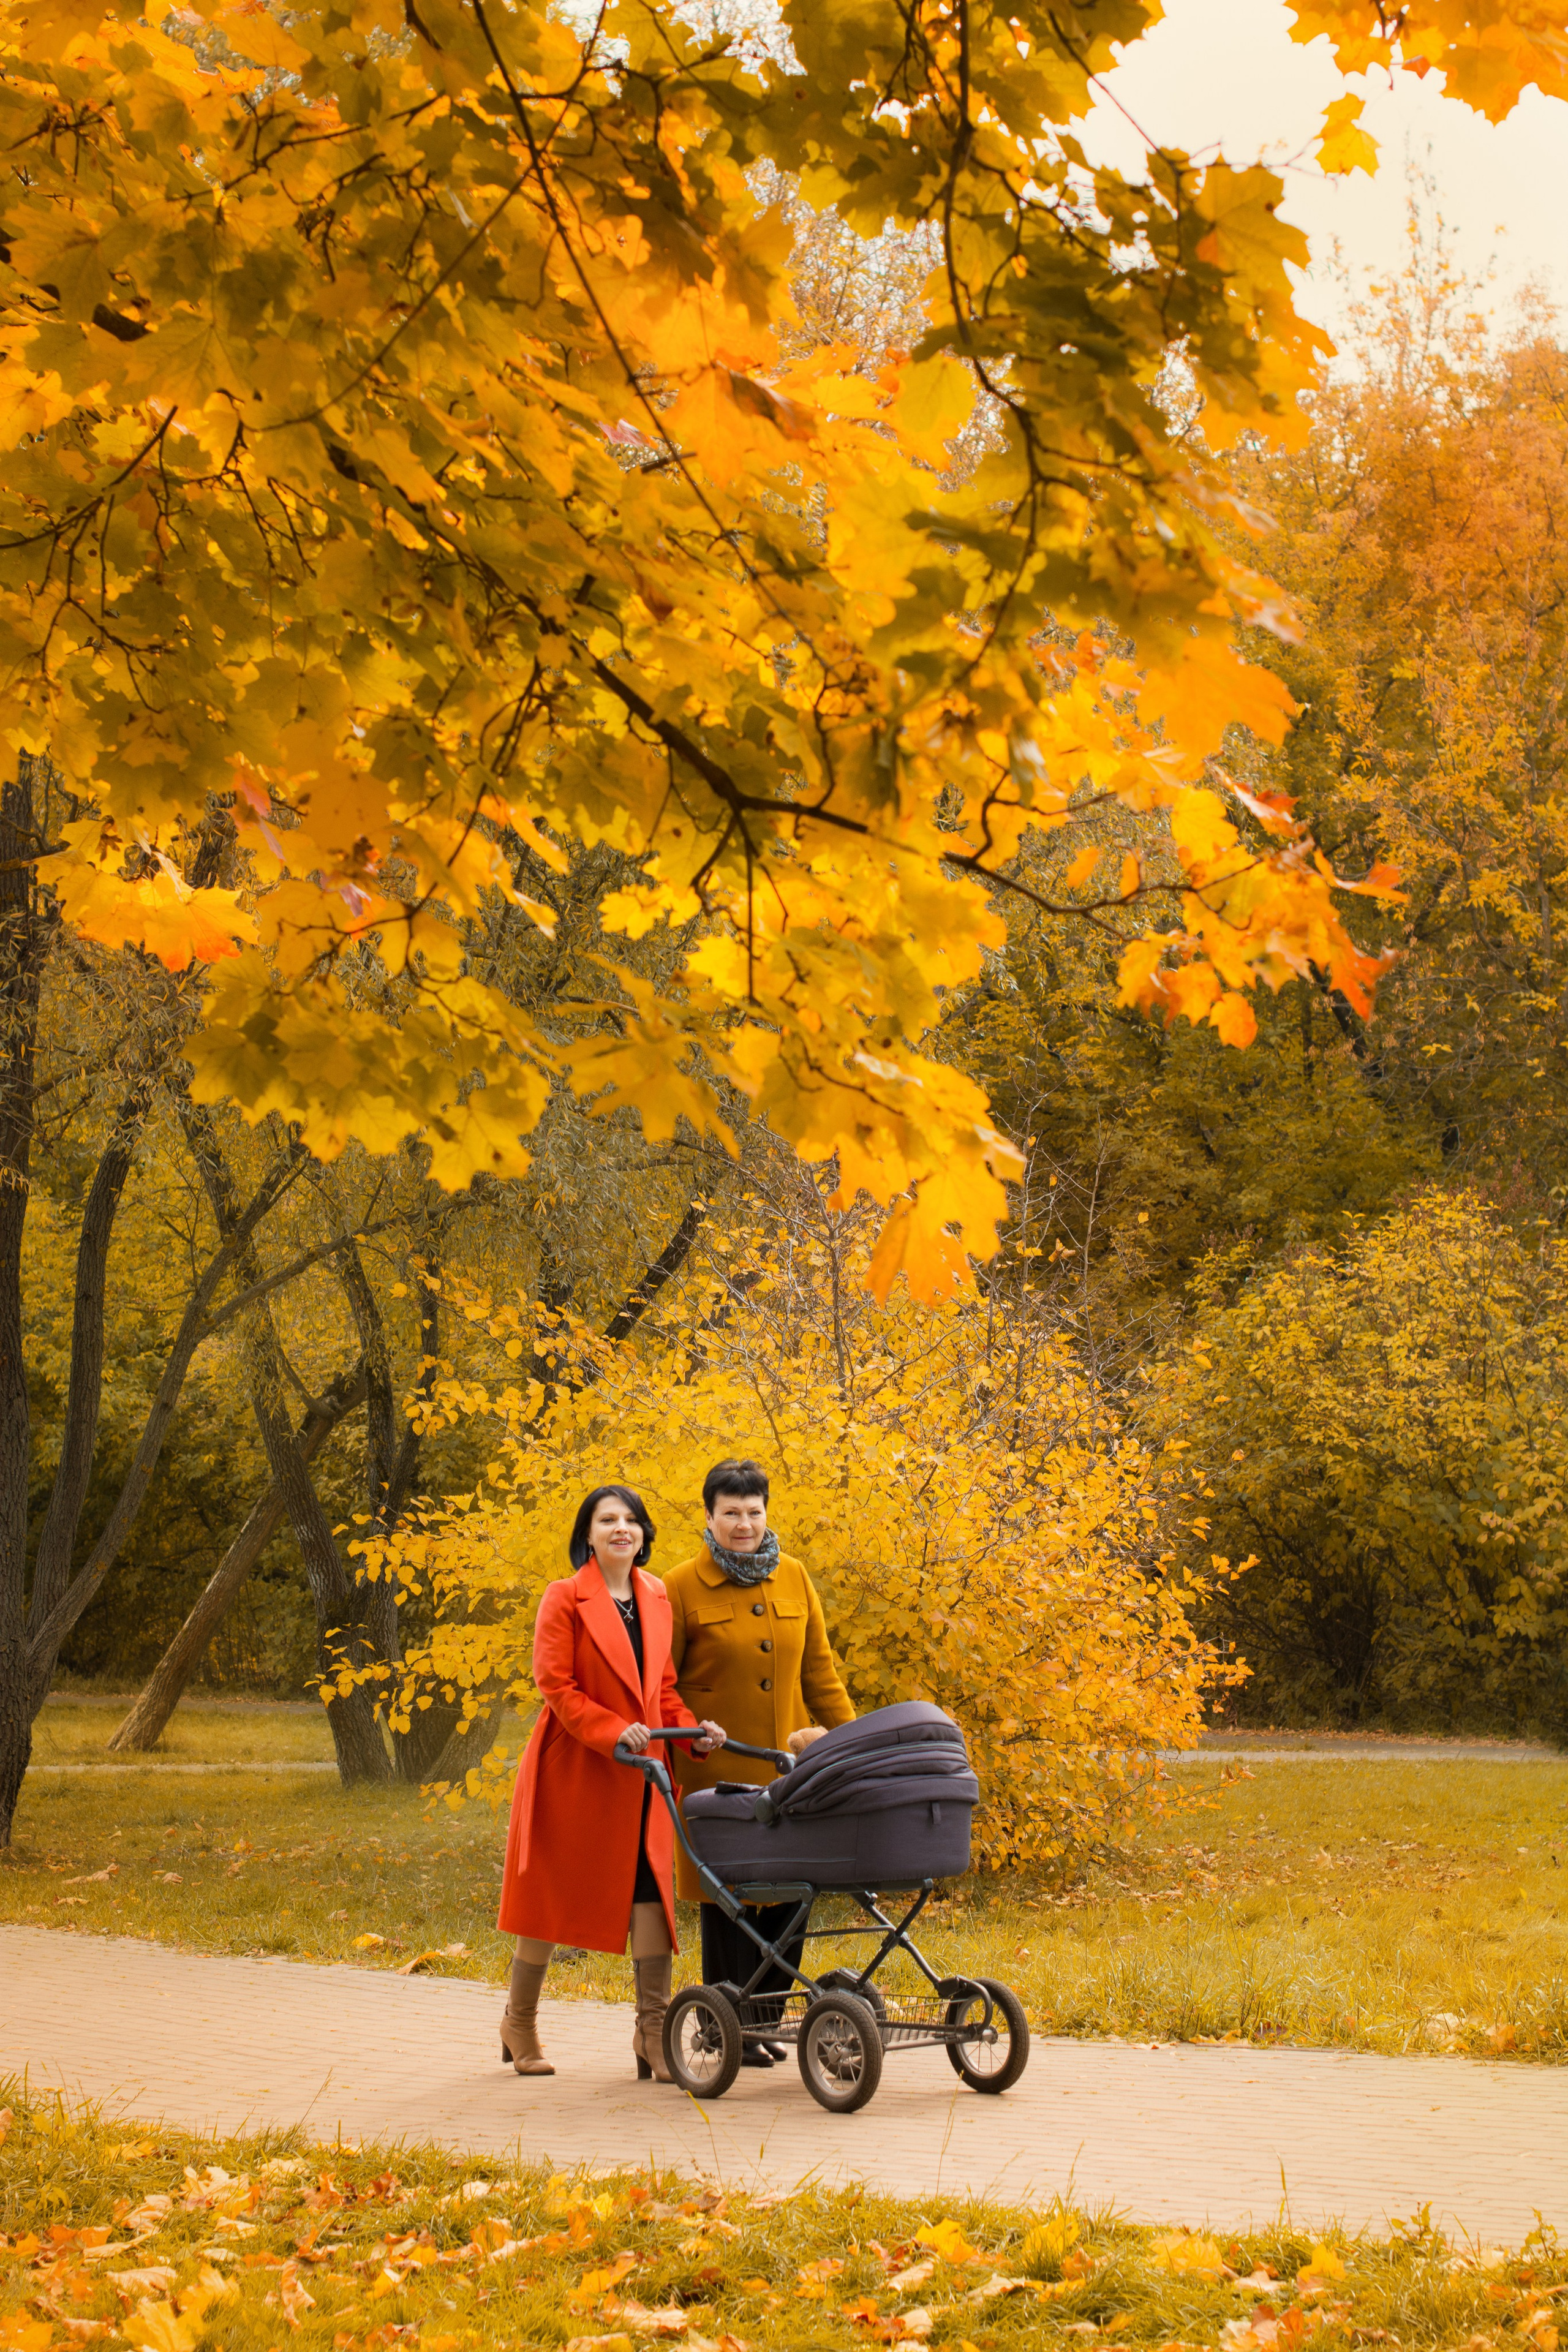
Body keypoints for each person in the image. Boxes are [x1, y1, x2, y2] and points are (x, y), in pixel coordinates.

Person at [496, 1483, 726, 2081]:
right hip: (574, 1767)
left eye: (631, 1520)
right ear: (589, 1535)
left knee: (652, 1891)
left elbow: (664, 1689)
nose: (621, 1528)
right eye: (608, 1520)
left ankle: (651, 2032)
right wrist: (611, 1729)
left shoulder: (654, 1595)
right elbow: (556, 1685)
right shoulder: (565, 1598)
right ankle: (519, 2022)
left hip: (641, 1771)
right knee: (550, 1899)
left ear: (644, 1533)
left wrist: (690, 1733)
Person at [663, 1457, 854, 2065]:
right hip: (715, 1772)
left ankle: (765, 2025)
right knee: (731, 1900)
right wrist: (689, 1734)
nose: (743, 1524)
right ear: (709, 1516)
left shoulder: (794, 1577)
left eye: (753, 1512)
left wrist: (852, 1744)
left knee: (794, 1893)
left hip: (789, 1772)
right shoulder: (679, 1587)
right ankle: (729, 2026)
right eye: (730, 1513)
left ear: (767, 1512)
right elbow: (662, 1681)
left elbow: (819, 1671)